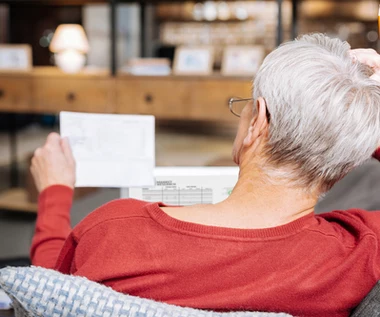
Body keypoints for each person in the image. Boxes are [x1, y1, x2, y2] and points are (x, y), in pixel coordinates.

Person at [30, 34, 380, 317]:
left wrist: (54, 193)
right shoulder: (359, 253)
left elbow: (47, 296)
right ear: (349, 163)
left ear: (257, 122)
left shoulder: (113, 230)